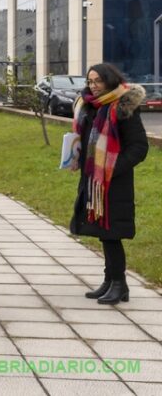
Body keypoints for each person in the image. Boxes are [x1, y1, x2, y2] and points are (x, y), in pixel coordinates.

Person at [69, 63, 148, 305]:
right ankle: (109, 280)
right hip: (94, 179)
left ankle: (119, 285)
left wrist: (111, 169)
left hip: (114, 182)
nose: (92, 86)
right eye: (90, 81)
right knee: (103, 233)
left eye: (97, 82)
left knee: (111, 233)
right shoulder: (90, 106)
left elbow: (139, 147)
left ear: (110, 81)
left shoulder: (123, 108)